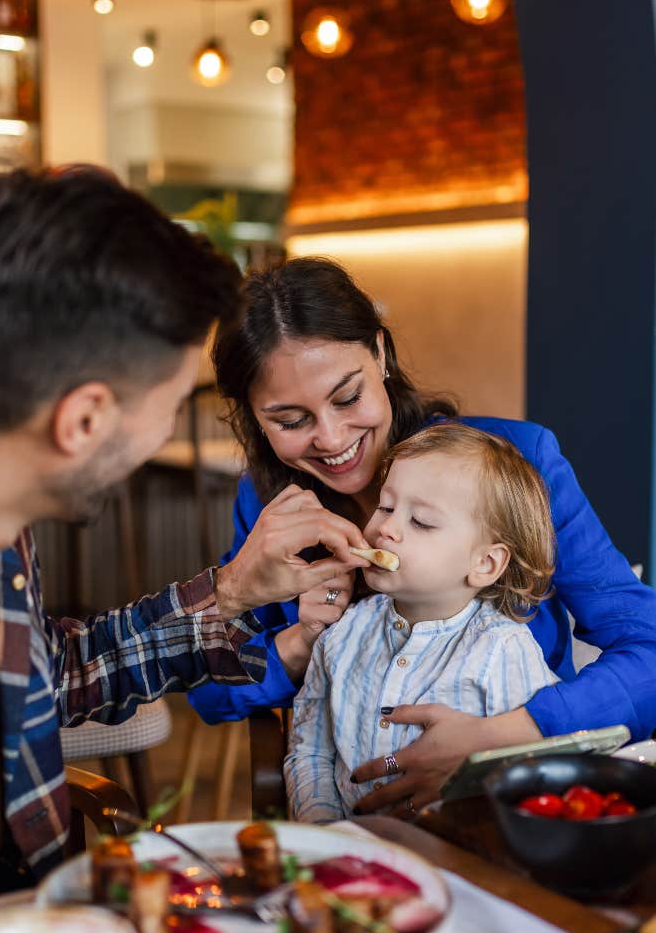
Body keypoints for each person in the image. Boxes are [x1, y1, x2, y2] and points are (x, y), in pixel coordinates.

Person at [0, 170, 370, 926]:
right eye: (168, 408)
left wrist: (232, 591)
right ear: (82, 423)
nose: (166, 435)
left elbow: (52, 680)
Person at [188, 256, 656, 818]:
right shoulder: (270, 504)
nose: (332, 438)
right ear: (255, 420)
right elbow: (207, 686)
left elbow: (648, 649)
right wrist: (306, 640)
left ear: (380, 354)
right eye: (291, 421)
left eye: (347, 397)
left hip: (506, 812)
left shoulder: (516, 464)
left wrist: (504, 734)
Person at [284, 423, 560, 823]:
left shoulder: (503, 650)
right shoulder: (342, 634)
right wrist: (324, 830)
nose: (386, 529)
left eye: (423, 522)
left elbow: (527, 775)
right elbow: (310, 750)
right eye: (385, 506)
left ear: (484, 564)